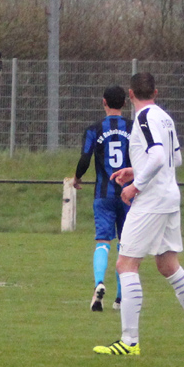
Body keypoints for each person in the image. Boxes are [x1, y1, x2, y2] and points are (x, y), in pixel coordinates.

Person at [94, 72, 184, 356]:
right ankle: (129, 341)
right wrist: (136, 169)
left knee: (125, 265)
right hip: (169, 197)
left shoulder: (145, 119)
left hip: (152, 202)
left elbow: (159, 157)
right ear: (155, 92)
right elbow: (176, 158)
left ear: (131, 94)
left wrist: (136, 185)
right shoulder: (165, 118)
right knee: (169, 267)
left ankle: (129, 341)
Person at [73, 85, 132, 312]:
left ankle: (99, 282)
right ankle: (120, 298)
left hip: (103, 195)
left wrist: (77, 178)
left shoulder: (94, 130)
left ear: (103, 102)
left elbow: (85, 159)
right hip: (128, 195)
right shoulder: (133, 128)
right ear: (124, 103)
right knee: (125, 245)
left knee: (103, 242)